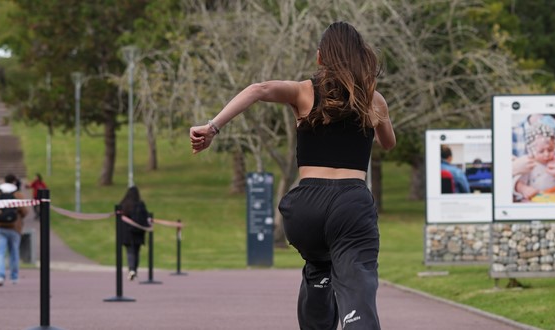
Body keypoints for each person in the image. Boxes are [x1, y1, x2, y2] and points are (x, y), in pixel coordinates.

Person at [190, 21, 395, 330]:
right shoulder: (372, 100)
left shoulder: (302, 91)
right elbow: (388, 143)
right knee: (357, 282)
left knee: (319, 267)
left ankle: (320, 287)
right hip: (350, 204)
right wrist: (374, 122)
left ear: (319, 58)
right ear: (359, 56)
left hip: (305, 208)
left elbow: (258, 90)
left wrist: (212, 127)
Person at [0, 174, 28, 287]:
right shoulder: (18, 195)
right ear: (14, 181)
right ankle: (14, 277)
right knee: (14, 252)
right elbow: (24, 211)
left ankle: (0, 276)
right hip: (14, 227)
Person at [515, 124, 555, 201]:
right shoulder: (528, 164)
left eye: (550, 150)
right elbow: (518, 184)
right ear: (530, 150)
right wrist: (524, 189)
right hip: (535, 199)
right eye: (541, 151)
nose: (546, 154)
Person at [118, 186, 150, 281]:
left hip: (127, 233)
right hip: (138, 232)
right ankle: (134, 270)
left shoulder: (124, 204)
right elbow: (146, 216)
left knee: (130, 251)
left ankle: (131, 269)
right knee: (136, 251)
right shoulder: (140, 204)